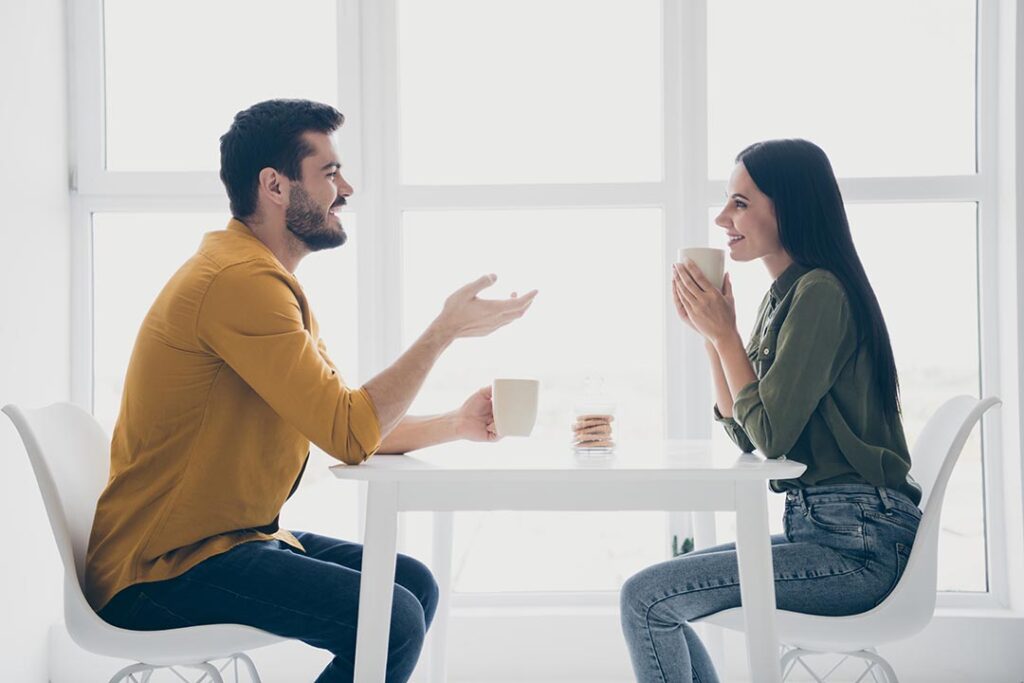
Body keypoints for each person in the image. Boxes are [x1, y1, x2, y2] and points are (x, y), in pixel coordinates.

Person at [84, 99, 537, 683]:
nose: (345, 188)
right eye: (328, 172)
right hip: (159, 569)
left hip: (225, 542)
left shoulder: (259, 276)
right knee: (391, 619)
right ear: (274, 185)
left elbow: (340, 420)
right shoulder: (240, 283)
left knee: (411, 586)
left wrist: (455, 423)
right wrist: (443, 331)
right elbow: (350, 433)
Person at [619, 139, 922, 683]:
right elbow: (746, 434)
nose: (721, 218)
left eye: (739, 203)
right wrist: (713, 338)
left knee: (647, 600)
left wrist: (726, 335)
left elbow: (773, 436)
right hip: (830, 530)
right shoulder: (788, 295)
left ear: (789, 206)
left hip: (861, 547)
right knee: (655, 595)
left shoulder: (820, 293)